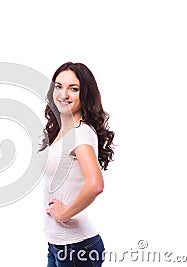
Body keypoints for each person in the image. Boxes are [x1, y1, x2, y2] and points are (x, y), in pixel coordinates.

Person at [39, 62, 115, 267]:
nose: (64, 94)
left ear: (85, 95)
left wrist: (65, 213)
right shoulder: (61, 131)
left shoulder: (80, 133)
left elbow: (96, 184)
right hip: (59, 245)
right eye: (59, 86)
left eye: (74, 89)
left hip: (77, 248)